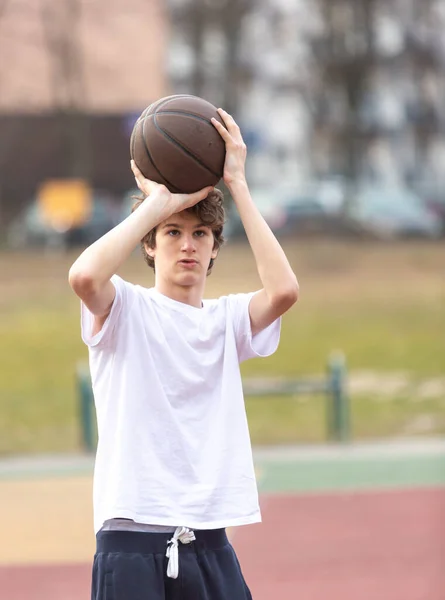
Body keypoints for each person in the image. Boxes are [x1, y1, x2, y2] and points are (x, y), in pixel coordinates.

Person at [69, 108, 299, 600]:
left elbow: (283, 291)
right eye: (173, 233)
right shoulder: (124, 309)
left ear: (216, 248)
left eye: (200, 234)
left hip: (208, 538)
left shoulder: (226, 321)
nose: (188, 246)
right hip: (131, 536)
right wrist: (156, 205)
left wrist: (236, 182)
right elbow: (85, 278)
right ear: (150, 246)